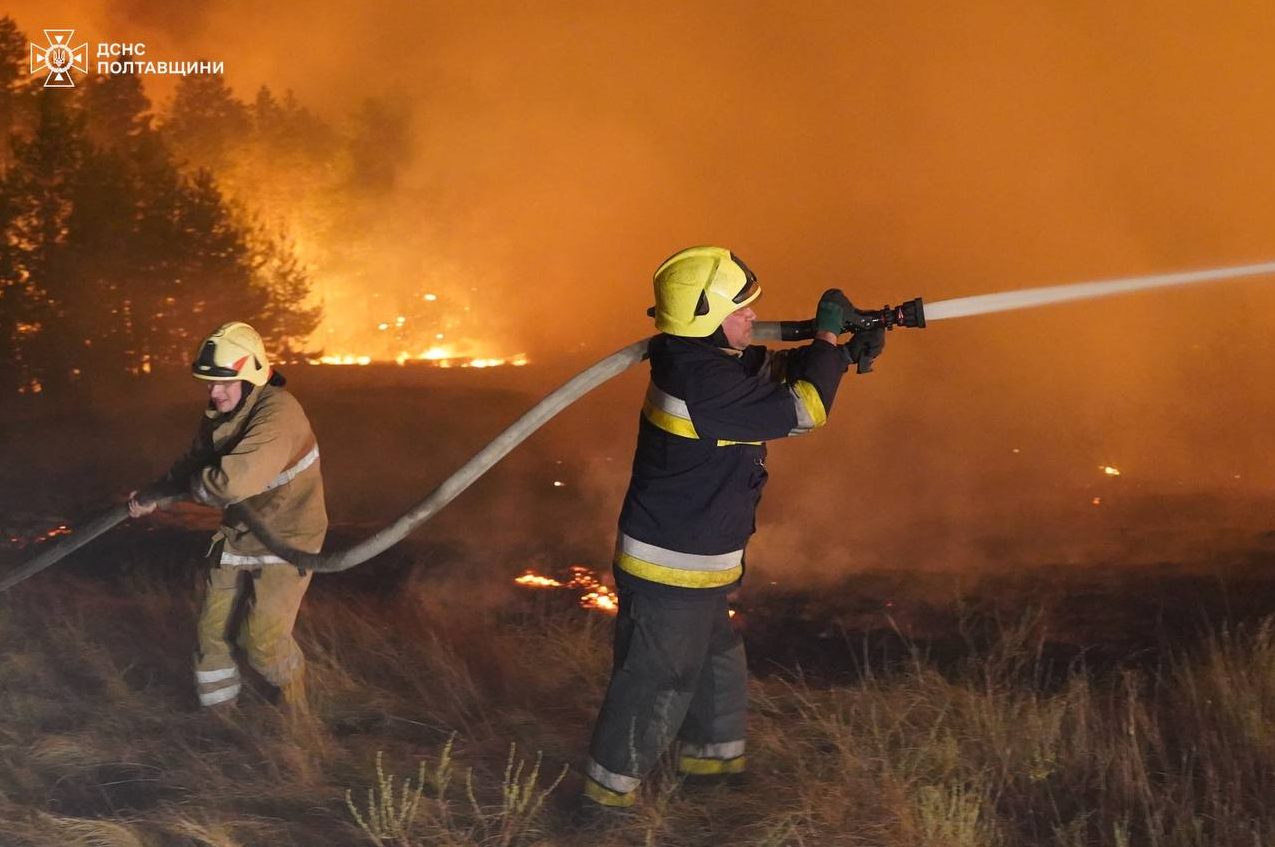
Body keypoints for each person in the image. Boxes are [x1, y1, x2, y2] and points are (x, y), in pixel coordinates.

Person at [581, 246, 884, 810]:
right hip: (670, 567)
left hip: (702, 558)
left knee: (716, 660)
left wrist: (839, 354)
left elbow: (764, 376)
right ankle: (603, 802)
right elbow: (802, 410)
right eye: (741, 309)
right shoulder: (704, 387)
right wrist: (823, 341)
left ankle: (710, 769)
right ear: (706, 316)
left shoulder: (701, 362)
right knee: (657, 681)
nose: (752, 318)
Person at [127, 321, 327, 710]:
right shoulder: (224, 410)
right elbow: (195, 462)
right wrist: (155, 495)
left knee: (262, 641)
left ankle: (298, 717)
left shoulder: (279, 416)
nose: (212, 393)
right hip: (239, 534)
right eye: (208, 383)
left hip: (286, 540)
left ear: (251, 376)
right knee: (210, 638)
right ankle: (220, 727)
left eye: (222, 383)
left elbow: (227, 484)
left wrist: (188, 490)